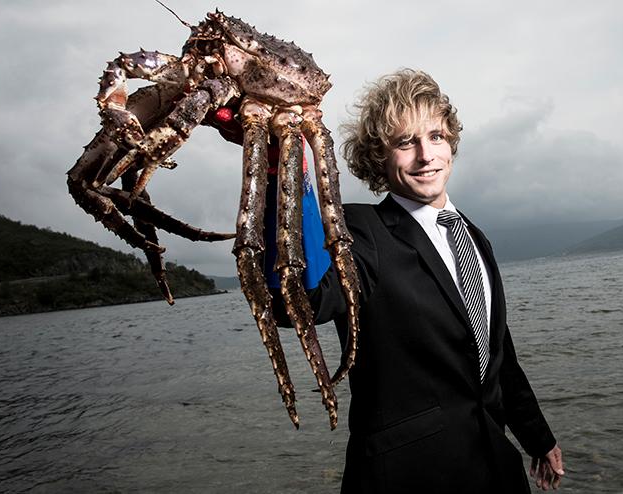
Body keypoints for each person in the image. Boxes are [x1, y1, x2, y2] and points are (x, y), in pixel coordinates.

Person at [214, 69, 564, 493]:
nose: (426, 155)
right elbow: (302, 301)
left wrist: (538, 438)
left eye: (436, 136)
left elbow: (498, 356)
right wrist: (279, 163)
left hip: (497, 469)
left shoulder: (474, 236)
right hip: (407, 478)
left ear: (451, 142)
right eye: (405, 142)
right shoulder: (359, 232)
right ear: (379, 156)